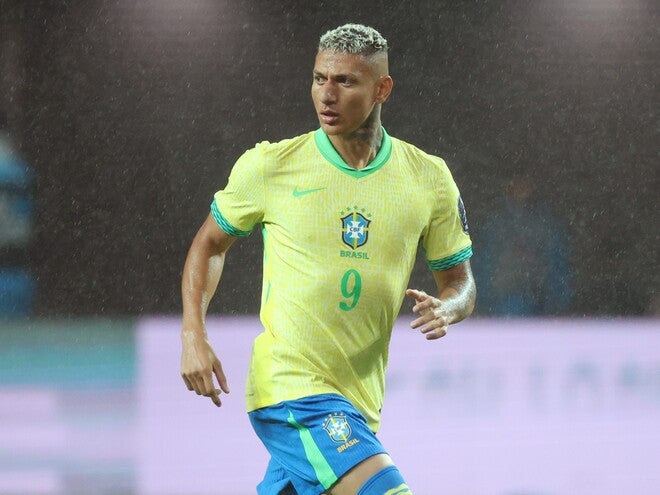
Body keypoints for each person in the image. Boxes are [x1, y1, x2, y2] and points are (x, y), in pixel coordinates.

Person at [180, 23, 476, 495]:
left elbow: (460, 282)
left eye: (345, 81)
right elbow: (209, 244)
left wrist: (449, 307)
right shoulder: (272, 165)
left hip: (358, 402)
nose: (327, 94)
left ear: (382, 89)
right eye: (320, 78)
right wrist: (193, 335)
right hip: (291, 389)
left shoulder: (428, 178)